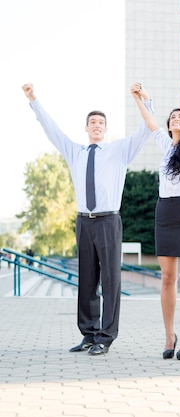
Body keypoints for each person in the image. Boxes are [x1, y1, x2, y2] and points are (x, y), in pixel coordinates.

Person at [22, 82, 153, 355]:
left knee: (110, 280)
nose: (96, 125)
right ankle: (89, 334)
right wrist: (33, 99)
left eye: (101, 122)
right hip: (84, 221)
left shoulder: (119, 150)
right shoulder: (76, 152)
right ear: (86, 128)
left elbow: (144, 130)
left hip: (108, 221)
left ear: (105, 128)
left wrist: (145, 101)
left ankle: (106, 336)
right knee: (87, 279)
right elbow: (51, 130)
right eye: (92, 122)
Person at [132, 84, 180, 360]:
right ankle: (169, 334)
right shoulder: (165, 146)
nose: (176, 119)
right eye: (172, 117)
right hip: (163, 212)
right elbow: (150, 123)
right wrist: (138, 99)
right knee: (167, 278)